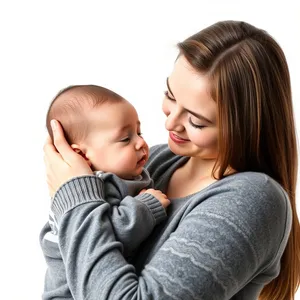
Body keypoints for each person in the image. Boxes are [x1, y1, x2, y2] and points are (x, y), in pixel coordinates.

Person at [42, 20, 300, 299]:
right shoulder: (154, 162)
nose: (170, 124)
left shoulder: (253, 199)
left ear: (246, 126)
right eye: (170, 95)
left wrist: (75, 193)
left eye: (196, 121)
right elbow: (64, 260)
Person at [40, 85, 170, 299]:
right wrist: (146, 207)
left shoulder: (126, 174)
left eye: (139, 132)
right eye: (125, 139)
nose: (141, 143)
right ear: (81, 155)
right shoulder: (101, 185)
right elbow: (105, 234)